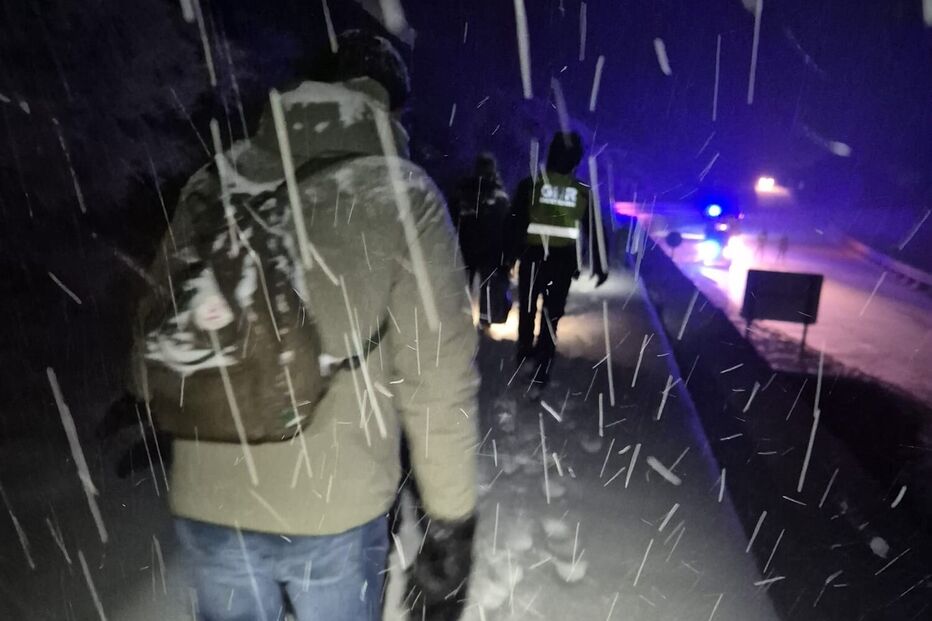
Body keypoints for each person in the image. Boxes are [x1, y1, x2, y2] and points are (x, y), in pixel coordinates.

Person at [128, 30, 479, 620]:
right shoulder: (403, 195)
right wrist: (451, 518)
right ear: (389, 107)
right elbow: (436, 378)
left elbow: (158, 322)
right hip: (333, 508)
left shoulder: (217, 178)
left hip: (209, 493)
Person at [507, 131, 607, 397]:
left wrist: (508, 257)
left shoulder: (531, 185)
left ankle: (524, 356)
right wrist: (601, 265)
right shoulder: (582, 192)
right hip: (562, 264)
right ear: (576, 160)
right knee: (552, 317)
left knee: (527, 311)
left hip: (533, 258)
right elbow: (595, 231)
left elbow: (514, 224)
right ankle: (541, 370)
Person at [450, 153, 512, 325]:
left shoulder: (463, 190)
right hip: (489, 247)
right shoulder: (498, 193)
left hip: (466, 244)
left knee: (463, 283)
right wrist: (507, 253)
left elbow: (452, 215)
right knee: (488, 285)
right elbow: (506, 222)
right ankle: (485, 319)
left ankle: (459, 318)